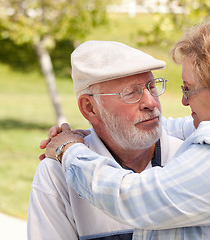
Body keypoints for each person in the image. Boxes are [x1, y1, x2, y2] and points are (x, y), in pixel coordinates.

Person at [44, 18, 210, 239]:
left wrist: (69, 150)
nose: (183, 101)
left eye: (189, 89)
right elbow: (177, 127)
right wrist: (104, 128)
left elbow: (130, 199)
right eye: (132, 93)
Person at [27, 40, 185, 240]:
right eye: (131, 93)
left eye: (152, 87)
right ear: (89, 108)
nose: (151, 102)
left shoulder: (189, 158)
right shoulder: (56, 174)